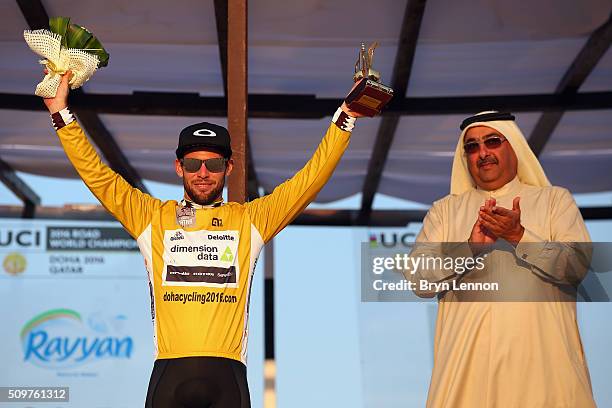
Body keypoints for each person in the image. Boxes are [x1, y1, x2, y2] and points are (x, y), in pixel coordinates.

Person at [43, 72, 365, 407]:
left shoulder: (250, 220)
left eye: (213, 163)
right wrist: (60, 112)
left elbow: (309, 181)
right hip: (170, 371)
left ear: (229, 168)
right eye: (194, 162)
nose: (203, 171)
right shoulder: (150, 217)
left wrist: (347, 116)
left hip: (227, 377)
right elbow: (99, 176)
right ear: (179, 167)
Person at [407, 111, 596, 407]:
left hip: (543, 367)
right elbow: (418, 279)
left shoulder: (554, 201)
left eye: (492, 141)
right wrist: (467, 249)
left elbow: (576, 265)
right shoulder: (445, 211)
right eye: (472, 146)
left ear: (514, 147)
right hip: (468, 369)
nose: (482, 153)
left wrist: (520, 235)